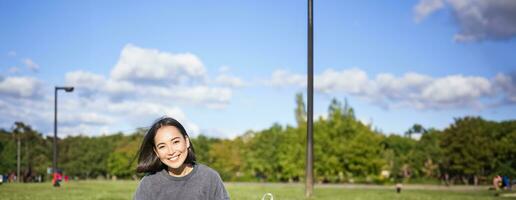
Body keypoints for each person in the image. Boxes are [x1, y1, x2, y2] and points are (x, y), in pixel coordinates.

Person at [134, 117, 230, 200]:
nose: (171, 151)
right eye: (162, 146)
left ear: (186, 141)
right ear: (156, 152)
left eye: (175, 142)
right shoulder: (148, 183)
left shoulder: (210, 178)